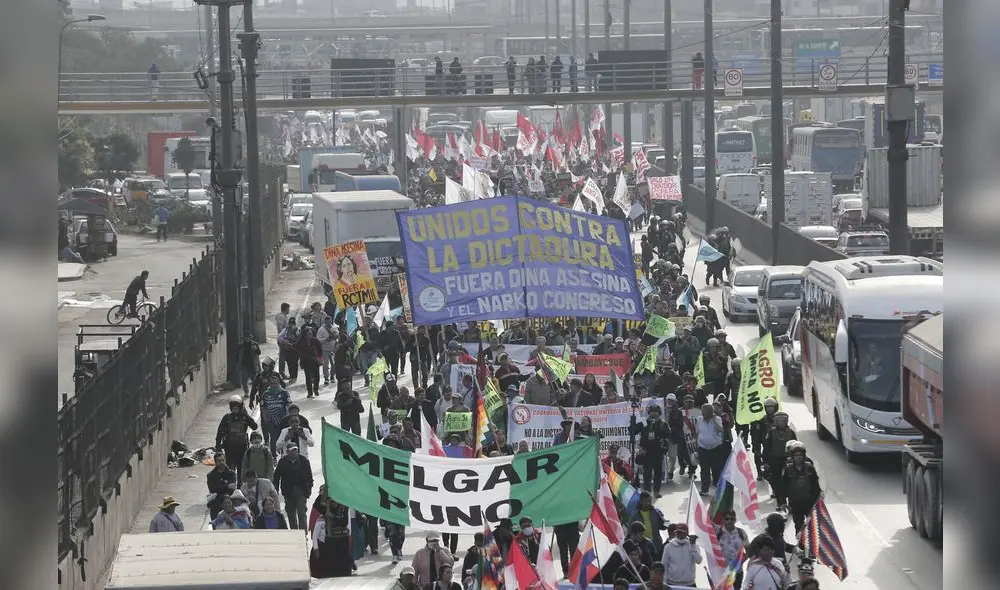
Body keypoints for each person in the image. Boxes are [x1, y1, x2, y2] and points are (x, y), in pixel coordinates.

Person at [778, 441, 821, 534]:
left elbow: (816, 486)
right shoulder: (788, 470)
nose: (798, 457)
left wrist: (818, 501)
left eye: (800, 455)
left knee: (812, 527)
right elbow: (783, 486)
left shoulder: (809, 468)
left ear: (804, 456)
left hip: (809, 502)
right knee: (799, 526)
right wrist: (783, 502)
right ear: (792, 457)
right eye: (796, 455)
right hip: (795, 503)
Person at [215, 395, 257, 483]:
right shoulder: (227, 417)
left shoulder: (244, 417)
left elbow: (254, 426)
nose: (235, 409)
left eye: (237, 407)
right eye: (233, 408)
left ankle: (240, 486)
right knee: (230, 469)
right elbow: (220, 432)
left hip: (242, 447)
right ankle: (231, 485)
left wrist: (247, 417)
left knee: (241, 468)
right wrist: (218, 445)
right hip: (229, 448)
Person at [310, 498, 355, 577]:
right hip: (328, 544)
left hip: (340, 540)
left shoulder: (344, 509)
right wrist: (316, 548)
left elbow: (345, 524)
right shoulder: (321, 520)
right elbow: (315, 536)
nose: (335, 504)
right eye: (333, 502)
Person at [273, 445, 313, 531]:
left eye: (295, 450)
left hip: (301, 492)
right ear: (287, 452)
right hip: (288, 492)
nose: (294, 452)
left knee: (302, 513)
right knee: (291, 514)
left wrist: (309, 489)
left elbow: (309, 476)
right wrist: (276, 489)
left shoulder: (304, 461)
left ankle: (303, 533)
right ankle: (294, 533)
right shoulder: (282, 462)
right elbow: (276, 476)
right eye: (292, 450)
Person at [632, 404, 669, 497]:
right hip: (646, 452)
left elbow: (668, 434)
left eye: (656, 412)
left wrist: (661, 436)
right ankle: (647, 491)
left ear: (659, 413)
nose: (654, 414)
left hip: (658, 452)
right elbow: (633, 431)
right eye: (652, 412)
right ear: (649, 413)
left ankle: (657, 491)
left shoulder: (663, 423)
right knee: (647, 473)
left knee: (658, 473)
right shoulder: (644, 422)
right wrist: (633, 422)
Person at [695, 402, 727, 495]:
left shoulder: (717, 419)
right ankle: (704, 489)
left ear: (710, 412)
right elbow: (697, 433)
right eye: (702, 411)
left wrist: (714, 421)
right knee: (704, 470)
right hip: (703, 449)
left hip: (715, 449)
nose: (702, 413)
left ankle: (718, 487)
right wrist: (697, 448)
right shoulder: (699, 419)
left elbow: (721, 429)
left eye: (704, 411)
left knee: (716, 469)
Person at [627, 492, 669, 558]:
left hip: (656, 543)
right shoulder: (635, 515)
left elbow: (662, 526)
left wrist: (667, 524)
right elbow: (630, 532)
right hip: (642, 545)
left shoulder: (656, 512)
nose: (648, 503)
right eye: (646, 501)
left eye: (649, 501)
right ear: (641, 501)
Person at [717, 509, 750, 588]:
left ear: (735, 520)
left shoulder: (741, 533)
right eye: (727, 519)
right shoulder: (717, 532)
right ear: (723, 520)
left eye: (732, 519)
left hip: (737, 573)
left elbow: (749, 550)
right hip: (721, 573)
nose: (729, 521)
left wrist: (740, 562)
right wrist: (711, 505)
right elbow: (706, 521)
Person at [295, 326, 324, 398]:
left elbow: (320, 350)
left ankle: (316, 389)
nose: (310, 334)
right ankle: (310, 392)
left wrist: (319, 358)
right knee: (308, 377)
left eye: (311, 332)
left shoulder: (316, 341)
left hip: (315, 361)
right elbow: (295, 346)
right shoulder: (302, 341)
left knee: (316, 376)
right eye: (308, 332)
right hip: (306, 362)